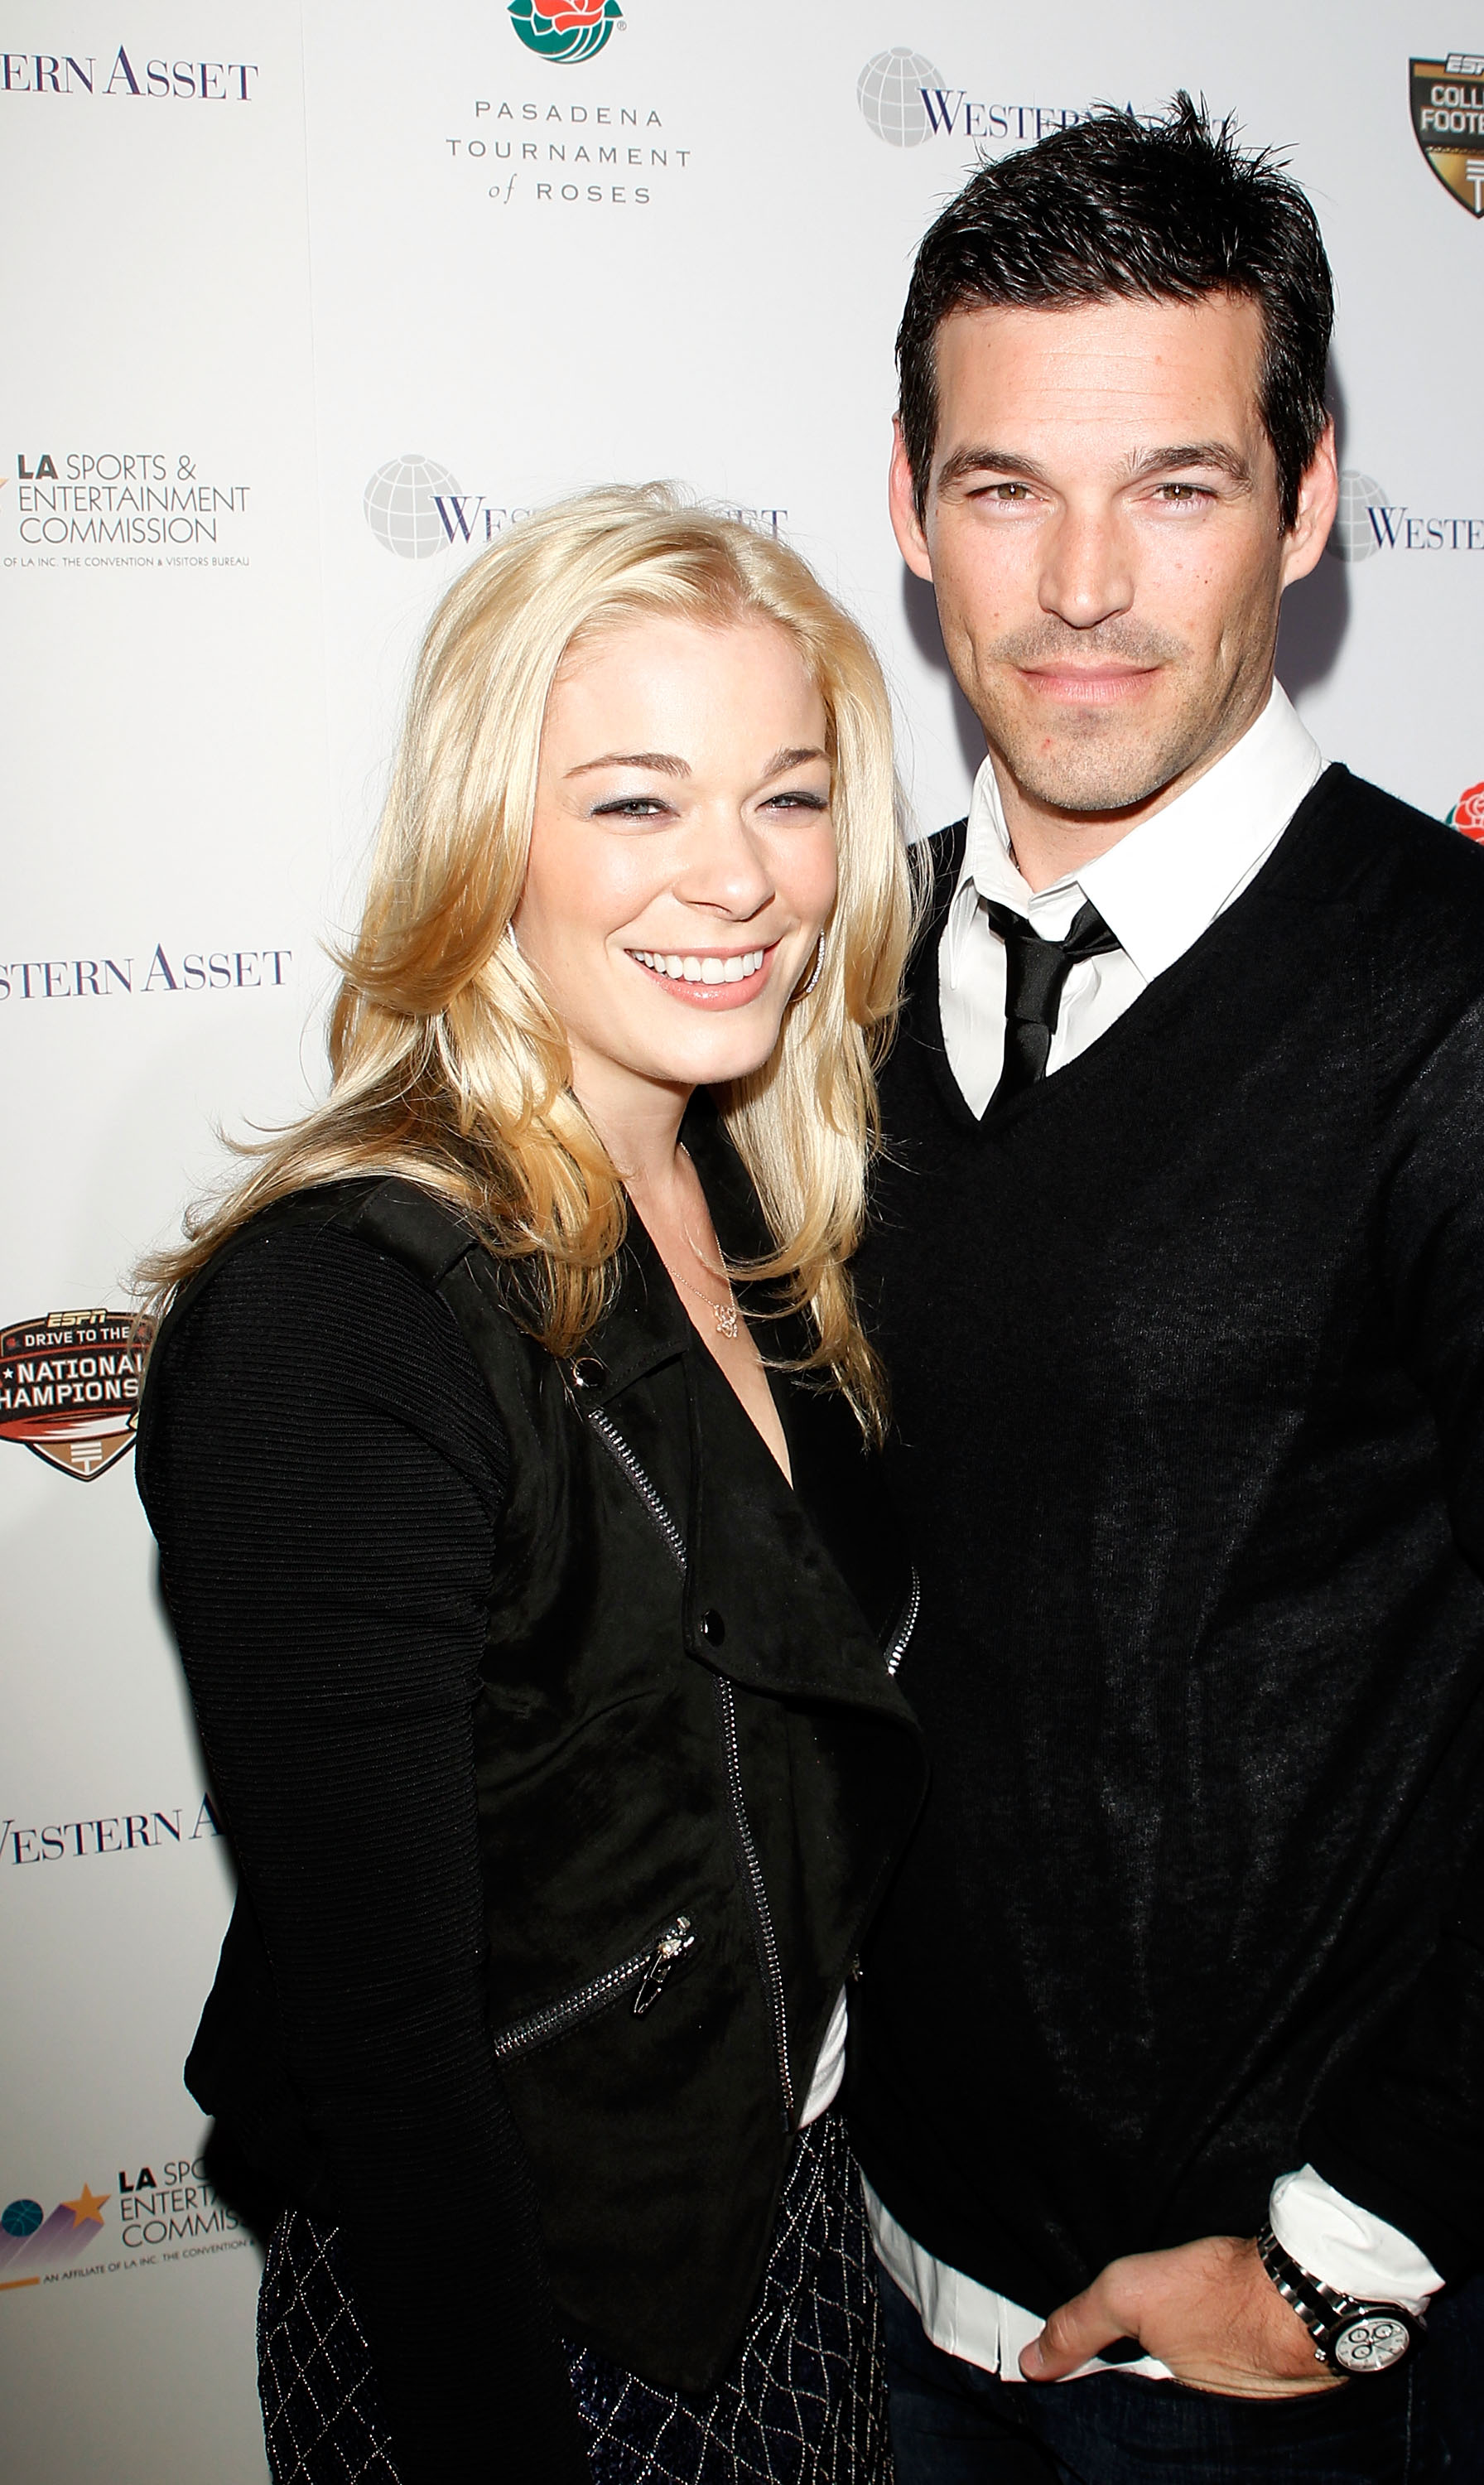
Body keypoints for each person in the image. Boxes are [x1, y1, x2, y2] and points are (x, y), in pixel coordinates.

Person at [842, 99, 1484, 2484]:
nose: (1079, 583)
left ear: (1305, 498)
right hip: (875, 2292)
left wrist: (1339, 2252)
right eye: (1001, 488)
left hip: (1258, 2371)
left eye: (1170, 485)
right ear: (902, 505)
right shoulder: (823, 987)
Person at [135, 485, 926, 2485]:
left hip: (789, 2239)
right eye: (637, 803)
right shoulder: (347, 1313)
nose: (736, 879)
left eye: (792, 795)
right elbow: (384, 2038)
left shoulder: (769, 1205)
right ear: (493, 835)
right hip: (512, 2326)